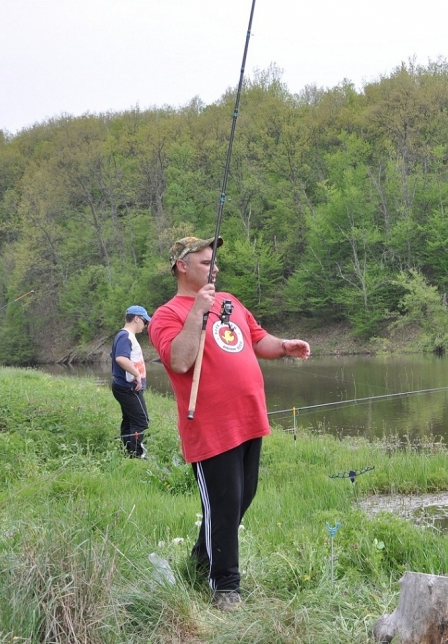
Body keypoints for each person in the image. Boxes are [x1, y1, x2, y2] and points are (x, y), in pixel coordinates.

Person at [148, 236, 310, 611]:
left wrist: (283, 346)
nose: (215, 268)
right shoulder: (167, 315)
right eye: (206, 263)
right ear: (182, 267)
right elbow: (180, 361)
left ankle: (198, 564)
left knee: (240, 500)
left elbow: (257, 338)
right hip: (211, 428)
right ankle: (225, 588)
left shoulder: (230, 301)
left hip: (250, 418)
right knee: (223, 508)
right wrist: (197, 311)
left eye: (215, 262)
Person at [111, 305, 152, 458]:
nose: (145, 325)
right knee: (141, 421)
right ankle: (137, 455)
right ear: (136, 318)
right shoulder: (125, 336)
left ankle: (128, 453)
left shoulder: (124, 335)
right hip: (129, 388)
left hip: (124, 387)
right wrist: (136, 374)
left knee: (129, 419)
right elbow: (121, 358)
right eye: (145, 321)